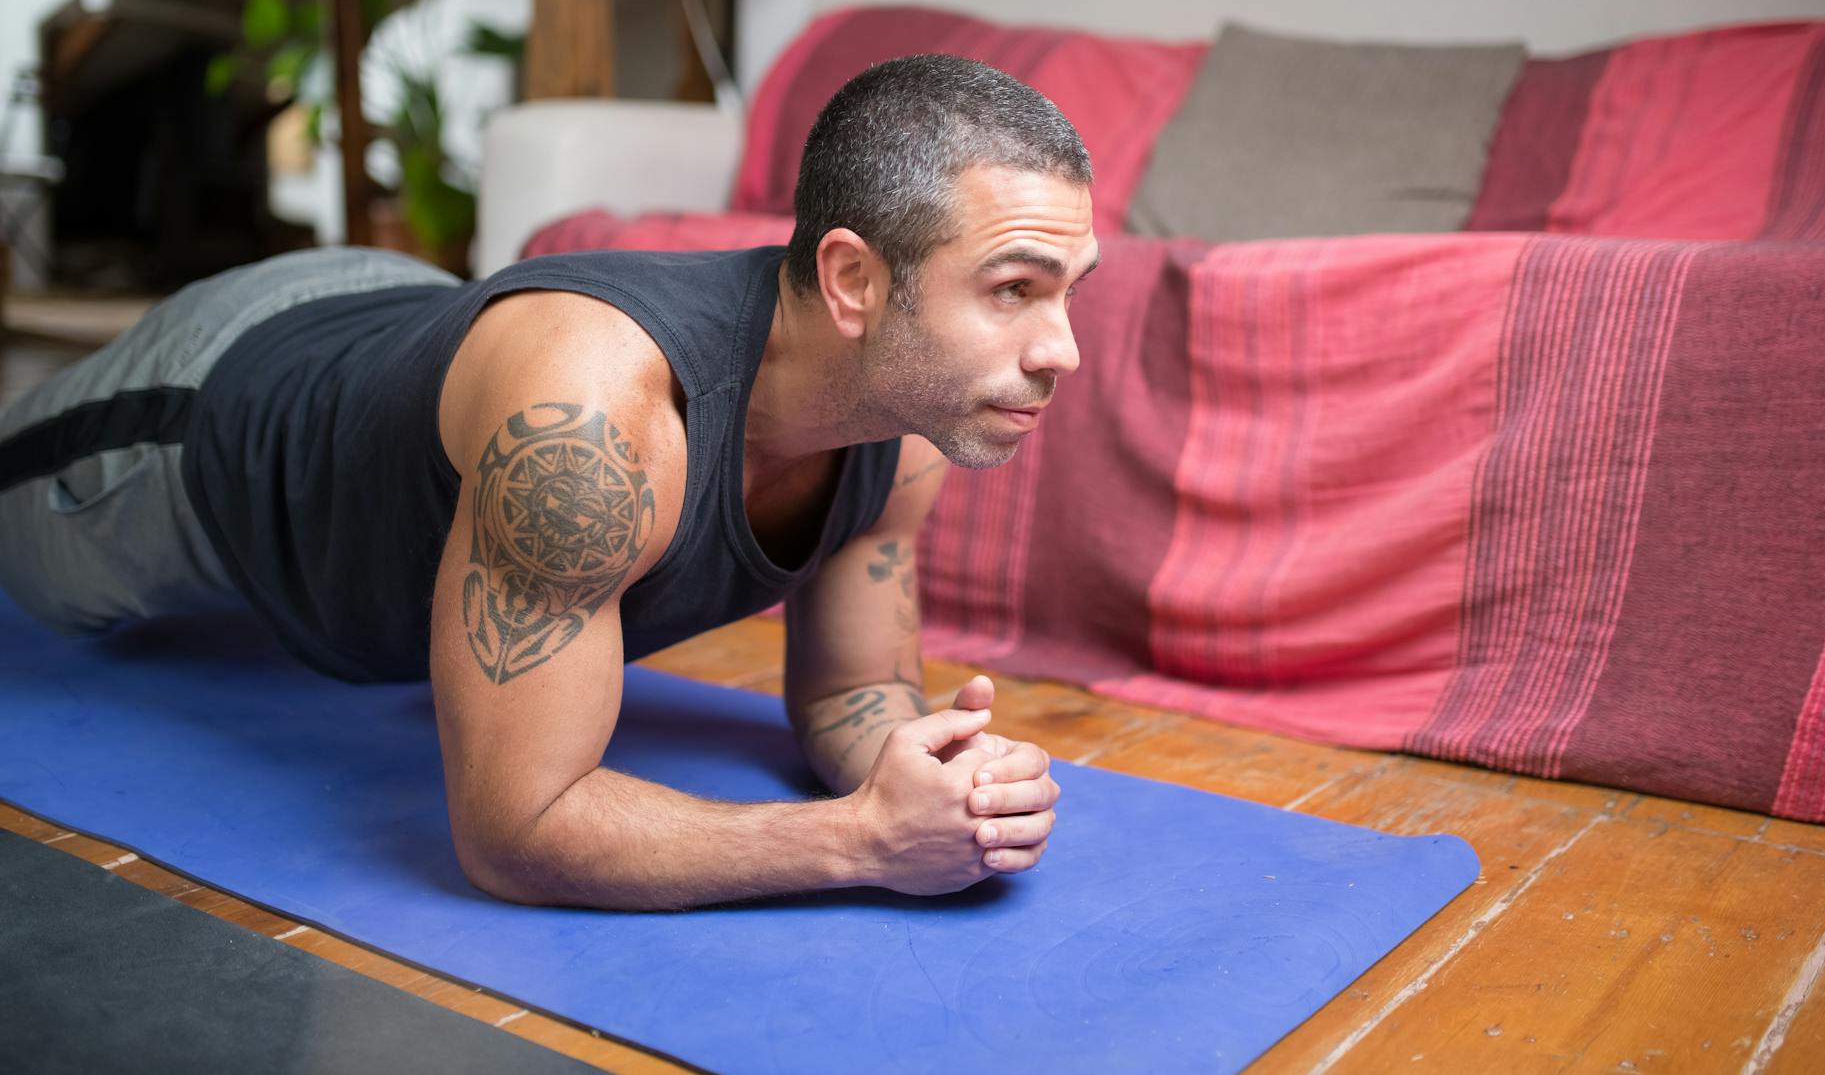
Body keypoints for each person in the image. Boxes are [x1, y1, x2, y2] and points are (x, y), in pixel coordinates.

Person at [0, 54, 1100, 911]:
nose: (1061, 349)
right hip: (201, 411)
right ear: (853, 280)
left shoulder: (907, 420)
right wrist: (858, 843)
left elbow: (845, 692)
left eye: (1068, 292)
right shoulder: (592, 424)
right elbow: (514, 831)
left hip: (414, 318)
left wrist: (936, 783)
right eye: (1012, 288)